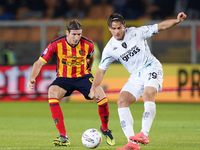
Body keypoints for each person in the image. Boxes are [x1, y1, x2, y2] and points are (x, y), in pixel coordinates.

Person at [90, 12, 187, 150]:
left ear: (124, 26)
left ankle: (144, 134)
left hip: (151, 67)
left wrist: (177, 21)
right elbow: (100, 71)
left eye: (119, 28)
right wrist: (93, 88)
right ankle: (132, 143)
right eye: (114, 28)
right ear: (109, 29)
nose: (117, 31)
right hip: (136, 75)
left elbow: (160, 26)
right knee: (122, 101)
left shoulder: (136, 32)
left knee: (148, 94)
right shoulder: (110, 48)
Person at [27, 19, 115, 147]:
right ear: (67, 32)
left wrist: (88, 72)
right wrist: (32, 78)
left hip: (83, 77)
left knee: (102, 98)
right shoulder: (55, 44)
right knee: (52, 92)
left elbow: (92, 57)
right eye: (74, 34)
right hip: (64, 78)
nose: (77, 37)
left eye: (79, 34)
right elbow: (38, 63)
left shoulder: (88, 43)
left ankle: (105, 129)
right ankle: (63, 136)